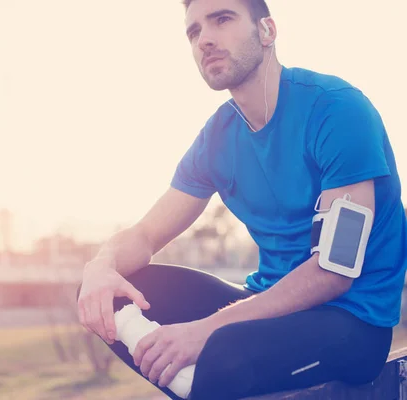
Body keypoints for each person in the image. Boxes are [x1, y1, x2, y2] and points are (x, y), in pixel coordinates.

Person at [76, 0, 407, 398]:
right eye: (194, 31)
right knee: (113, 293)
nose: (206, 40)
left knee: (222, 352)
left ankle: (200, 381)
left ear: (267, 31)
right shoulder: (218, 137)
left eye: (222, 19)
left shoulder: (336, 109)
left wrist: (204, 331)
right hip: (266, 301)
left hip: (352, 321)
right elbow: (146, 235)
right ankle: (192, 385)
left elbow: (333, 271)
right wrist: (99, 267)